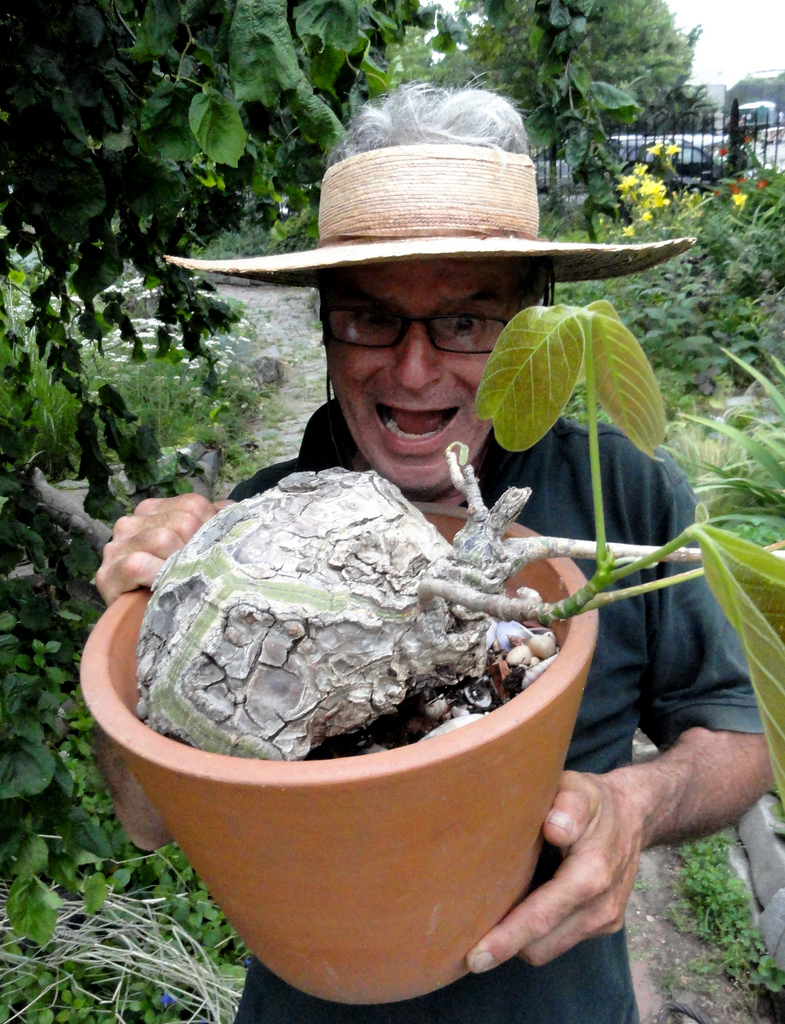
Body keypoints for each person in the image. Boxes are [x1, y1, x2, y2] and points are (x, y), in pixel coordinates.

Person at [96, 85, 772, 1023]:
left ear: (533, 319)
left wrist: (635, 806)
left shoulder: (628, 500)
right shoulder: (245, 538)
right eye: (370, 318)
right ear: (325, 322)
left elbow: (739, 737)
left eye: (464, 323)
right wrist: (146, 620)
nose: (413, 371)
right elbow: (144, 820)